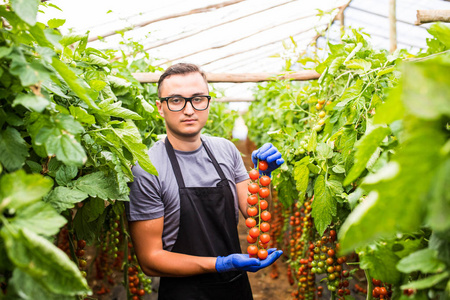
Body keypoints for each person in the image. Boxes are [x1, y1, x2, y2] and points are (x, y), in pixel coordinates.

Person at [126, 63, 284, 300]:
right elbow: (150, 260)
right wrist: (221, 263)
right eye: (176, 100)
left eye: (198, 99)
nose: (189, 110)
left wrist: (263, 180)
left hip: (235, 287)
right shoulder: (147, 169)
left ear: (208, 102)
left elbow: (254, 213)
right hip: (183, 292)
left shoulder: (226, 150)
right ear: (160, 108)